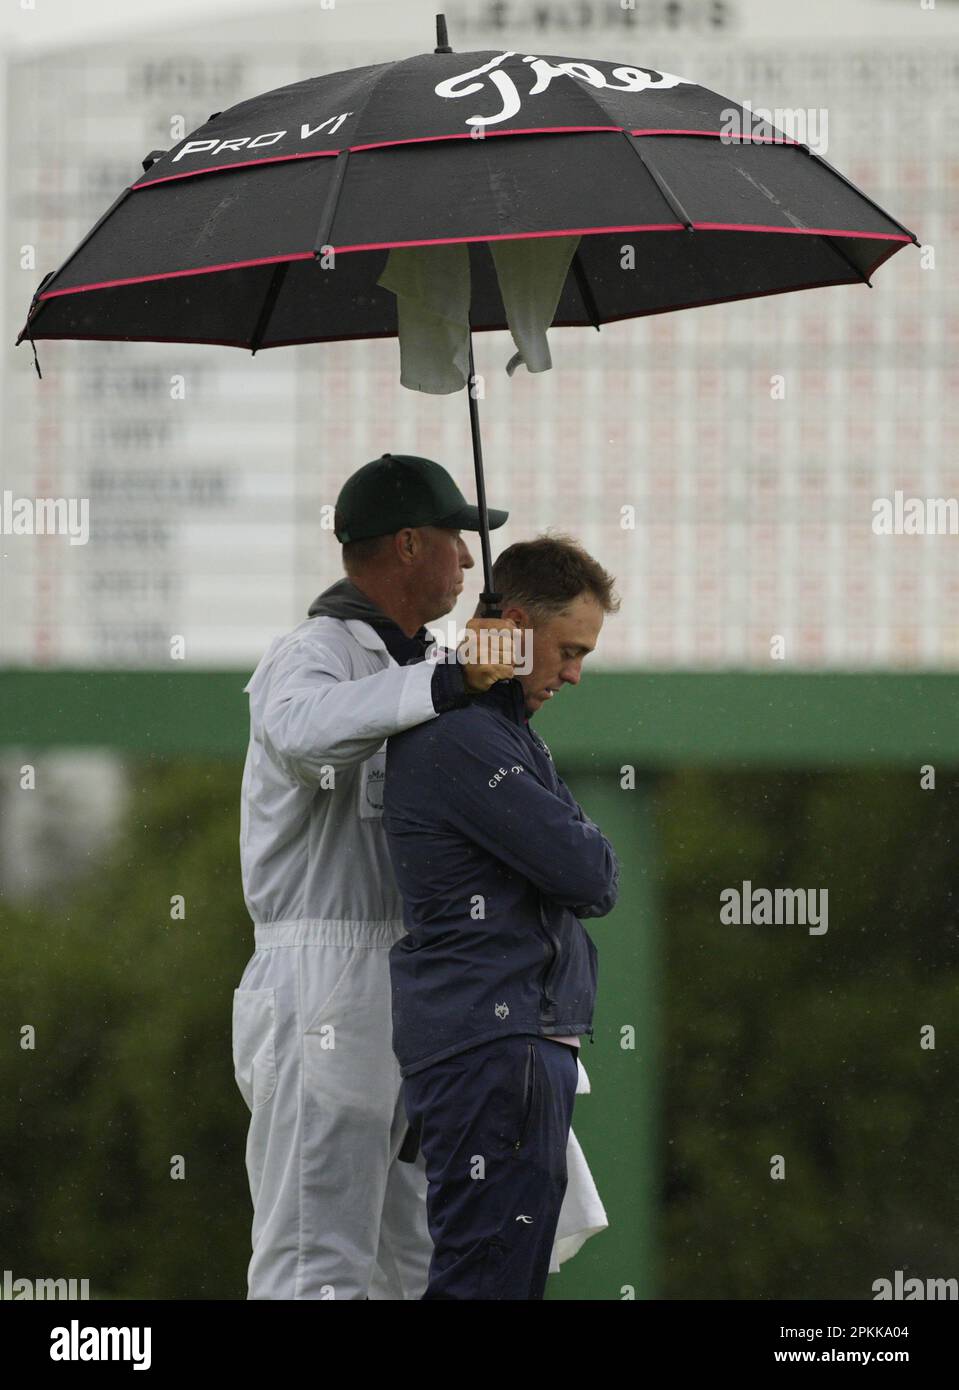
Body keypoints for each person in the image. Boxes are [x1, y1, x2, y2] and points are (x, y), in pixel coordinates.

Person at [232, 452, 512, 1300]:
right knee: (316, 1261)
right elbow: (301, 731)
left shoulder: (425, 663)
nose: (468, 559)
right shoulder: (310, 653)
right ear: (405, 545)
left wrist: (484, 688)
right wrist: (451, 679)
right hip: (321, 981)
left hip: (414, 986)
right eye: (456, 539)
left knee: (421, 1264)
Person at [382, 533, 621, 1300]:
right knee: (482, 1285)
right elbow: (591, 873)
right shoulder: (465, 737)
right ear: (513, 624)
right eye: (568, 650)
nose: (577, 674)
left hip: (505, 1044)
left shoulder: (498, 733)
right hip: (494, 1046)